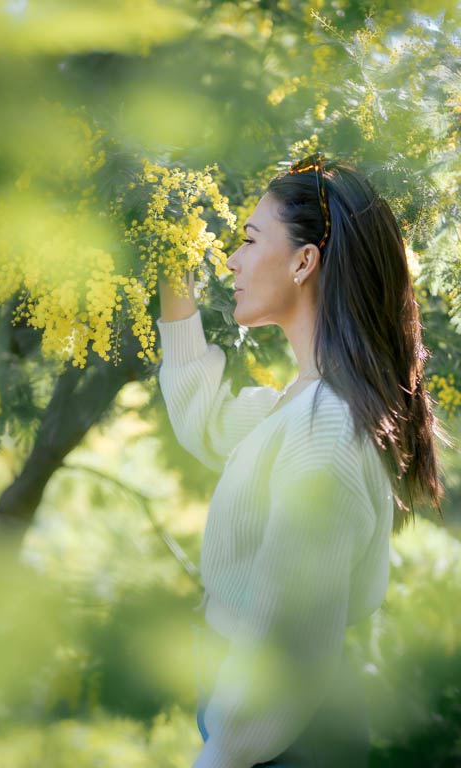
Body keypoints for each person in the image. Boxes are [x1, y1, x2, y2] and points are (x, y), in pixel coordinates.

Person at [155, 154, 448, 768]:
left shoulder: (325, 430)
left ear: (303, 262)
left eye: (249, 239)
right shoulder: (300, 405)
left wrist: (223, 753)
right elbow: (205, 424)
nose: (232, 259)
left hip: (282, 739)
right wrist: (171, 281)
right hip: (259, 726)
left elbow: (286, 646)